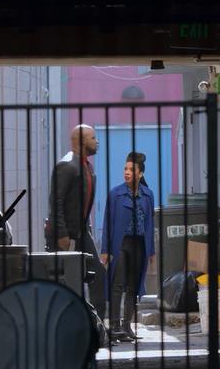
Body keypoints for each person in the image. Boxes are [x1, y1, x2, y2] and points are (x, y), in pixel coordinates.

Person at [48, 124, 106, 323]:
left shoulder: (86, 166)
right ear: (81, 142)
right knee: (67, 280)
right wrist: (62, 235)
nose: (96, 141)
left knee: (97, 274)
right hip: (66, 236)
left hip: (82, 232)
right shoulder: (67, 165)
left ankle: (98, 325)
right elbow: (56, 202)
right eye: (93, 138)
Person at [100, 152, 156, 342]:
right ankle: (114, 325)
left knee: (133, 286)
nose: (127, 172)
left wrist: (151, 251)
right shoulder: (115, 194)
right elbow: (108, 222)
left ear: (140, 174)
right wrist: (105, 250)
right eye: (125, 169)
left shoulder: (148, 195)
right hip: (120, 244)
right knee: (118, 285)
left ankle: (127, 326)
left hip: (139, 244)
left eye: (131, 169)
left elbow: (150, 224)